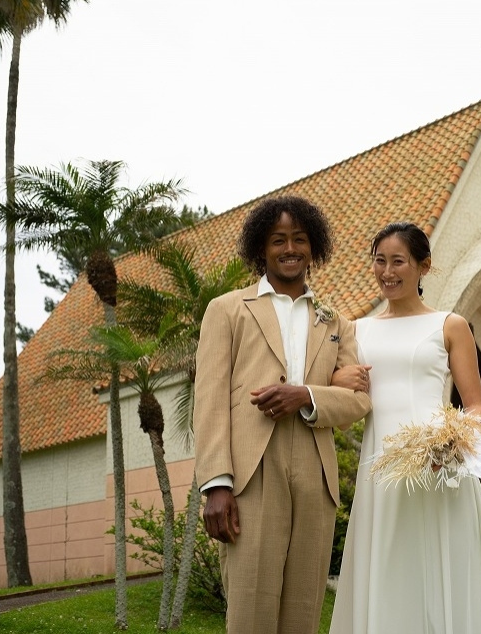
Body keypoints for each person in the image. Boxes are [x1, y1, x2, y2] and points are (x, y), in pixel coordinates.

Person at [329, 222, 481, 633]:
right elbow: (346, 415)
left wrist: (450, 446)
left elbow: (475, 406)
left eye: (398, 261)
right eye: (379, 261)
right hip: (380, 472)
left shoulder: (450, 325)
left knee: (441, 570)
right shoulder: (357, 331)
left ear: (424, 266)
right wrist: (338, 383)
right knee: (388, 569)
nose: (387, 272)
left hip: (438, 469)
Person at [193, 195, 372, 634]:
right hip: (251, 473)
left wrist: (305, 395)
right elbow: (210, 400)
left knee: (303, 612)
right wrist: (217, 484)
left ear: (314, 248)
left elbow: (358, 402)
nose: (290, 248)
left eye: (299, 239)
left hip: (316, 474)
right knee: (250, 610)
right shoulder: (227, 309)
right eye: (278, 240)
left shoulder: (336, 323)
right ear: (262, 248)